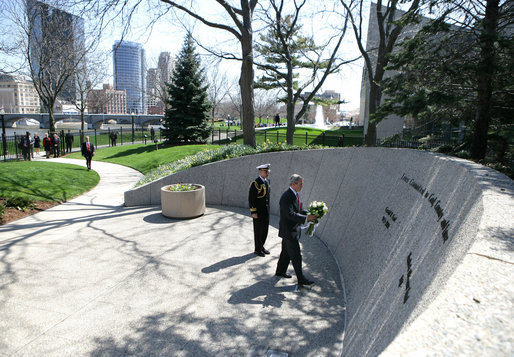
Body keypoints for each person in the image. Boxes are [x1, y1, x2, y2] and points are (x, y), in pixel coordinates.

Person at [275, 174, 317, 286]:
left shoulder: (295, 195)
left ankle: (280, 271)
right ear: (294, 184)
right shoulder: (286, 197)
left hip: (291, 230)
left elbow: (299, 209)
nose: (302, 186)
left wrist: (308, 214)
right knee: (296, 255)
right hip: (289, 231)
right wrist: (306, 218)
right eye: (300, 184)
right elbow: (290, 214)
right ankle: (301, 279)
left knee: (286, 252)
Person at [248, 163, 271, 257]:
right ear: (260, 171)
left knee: (265, 229)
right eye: (265, 171)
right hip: (258, 210)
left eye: (268, 171)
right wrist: (253, 212)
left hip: (266, 210)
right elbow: (251, 198)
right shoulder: (255, 183)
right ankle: (257, 249)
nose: (267, 173)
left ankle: (261, 246)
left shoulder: (267, 181)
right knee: (258, 230)